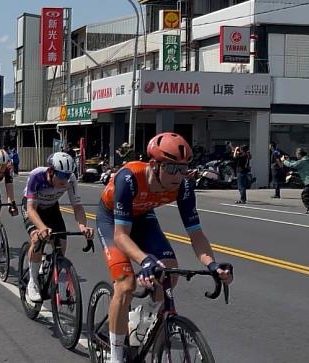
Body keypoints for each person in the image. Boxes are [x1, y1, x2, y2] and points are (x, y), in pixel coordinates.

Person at [95, 132, 233, 363]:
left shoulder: (185, 186)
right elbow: (120, 236)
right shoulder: (129, 178)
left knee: (170, 270)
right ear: (154, 165)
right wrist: (145, 260)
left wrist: (212, 264)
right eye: (171, 168)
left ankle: (147, 313)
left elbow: (196, 234)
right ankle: (116, 356)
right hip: (112, 220)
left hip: (144, 216)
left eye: (184, 168)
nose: (178, 175)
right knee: (126, 285)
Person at [22, 152, 93, 302]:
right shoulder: (37, 176)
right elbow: (31, 209)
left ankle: (47, 265)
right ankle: (32, 282)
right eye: (61, 175)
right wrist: (41, 228)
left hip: (52, 208)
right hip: (33, 207)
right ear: (51, 171)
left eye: (68, 175)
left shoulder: (70, 180)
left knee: (61, 245)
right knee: (37, 239)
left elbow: (78, 207)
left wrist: (82, 226)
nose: (64, 180)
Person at [282, 148, 309, 214]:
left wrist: (284, 161)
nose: (296, 156)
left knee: (305, 195)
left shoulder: (302, 162)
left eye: (297, 154)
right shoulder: (307, 160)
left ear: (299, 154)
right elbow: (296, 163)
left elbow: (292, 165)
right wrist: (289, 160)